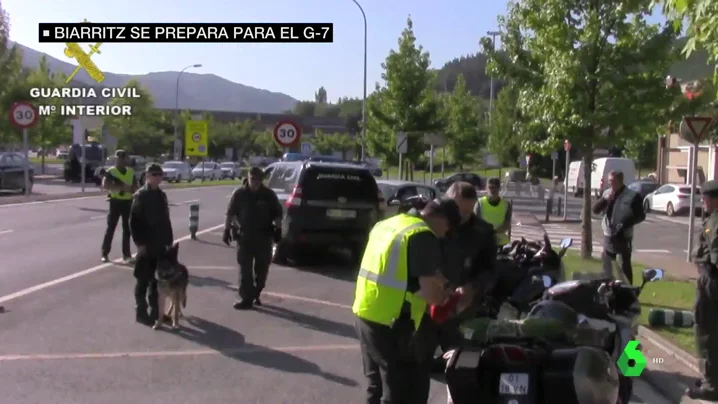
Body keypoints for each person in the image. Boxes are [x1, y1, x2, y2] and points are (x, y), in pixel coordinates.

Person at [353, 197, 465, 404]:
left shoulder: (390, 224)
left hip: (366, 311)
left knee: (375, 384)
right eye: (448, 228)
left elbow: (411, 267)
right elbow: (432, 296)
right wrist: (449, 298)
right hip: (393, 322)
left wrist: (445, 283)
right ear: (440, 219)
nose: (446, 234)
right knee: (400, 391)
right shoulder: (423, 235)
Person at [431, 182, 497, 369]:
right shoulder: (434, 225)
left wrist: (473, 287)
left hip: (462, 306)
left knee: (461, 365)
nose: (463, 216)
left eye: (469, 211)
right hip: (429, 302)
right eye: (459, 210)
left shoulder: (483, 231)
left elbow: (490, 269)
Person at [223, 167, 283, 310]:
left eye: (257, 179)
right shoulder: (239, 194)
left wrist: (278, 230)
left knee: (262, 270)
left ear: (261, 180)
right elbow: (230, 213)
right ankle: (246, 298)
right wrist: (226, 230)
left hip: (264, 237)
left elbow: (277, 214)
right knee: (244, 269)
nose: (254, 182)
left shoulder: (268, 195)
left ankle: (256, 292)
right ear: (248, 178)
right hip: (245, 237)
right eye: (252, 179)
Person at [129, 163, 174, 325]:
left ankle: (157, 313)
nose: (157, 177)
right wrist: (139, 244)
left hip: (160, 244)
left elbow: (166, 220)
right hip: (146, 244)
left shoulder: (161, 195)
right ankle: (141, 311)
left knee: (157, 282)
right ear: (146, 176)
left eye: (159, 174)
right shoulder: (140, 196)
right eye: (153, 174)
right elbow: (133, 222)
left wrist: (169, 242)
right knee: (143, 279)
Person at [686, 180, 718, 400]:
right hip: (710, 279)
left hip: (712, 281)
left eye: (705, 198)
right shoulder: (712, 218)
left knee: (706, 331)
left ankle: (711, 385)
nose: (702, 201)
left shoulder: (715, 221)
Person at [591, 170, 645, 284]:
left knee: (624, 264)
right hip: (608, 234)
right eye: (609, 181)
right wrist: (605, 200)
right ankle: (607, 288)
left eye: (613, 181)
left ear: (619, 181)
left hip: (623, 235)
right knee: (607, 263)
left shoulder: (632, 196)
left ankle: (628, 290)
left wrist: (626, 223)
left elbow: (640, 216)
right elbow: (595, 210)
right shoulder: (607, 193)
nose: (611, 184)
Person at [101, 150, 138, 264]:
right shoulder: (111, 171)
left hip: (128, 202)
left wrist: (131, 189)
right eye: (119, 158)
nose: (121, 160)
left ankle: (126, 255)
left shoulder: (131, 172)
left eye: (123, 158)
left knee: (127, 229)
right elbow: (106, 185)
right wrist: (120, 186)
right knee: (111, 228)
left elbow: (136, 187)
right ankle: (105, 253)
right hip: (115, 202)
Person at [474, 177, 512, 246]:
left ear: (499, 188)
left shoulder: (506, 204)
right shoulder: (480, 203)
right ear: (486, 188)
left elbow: (507, 224)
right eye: (491, 187)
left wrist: (494, 233)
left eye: (496, 187)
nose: (493, 190)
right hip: (484, 241)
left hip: (500, 242)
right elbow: (475, 223)